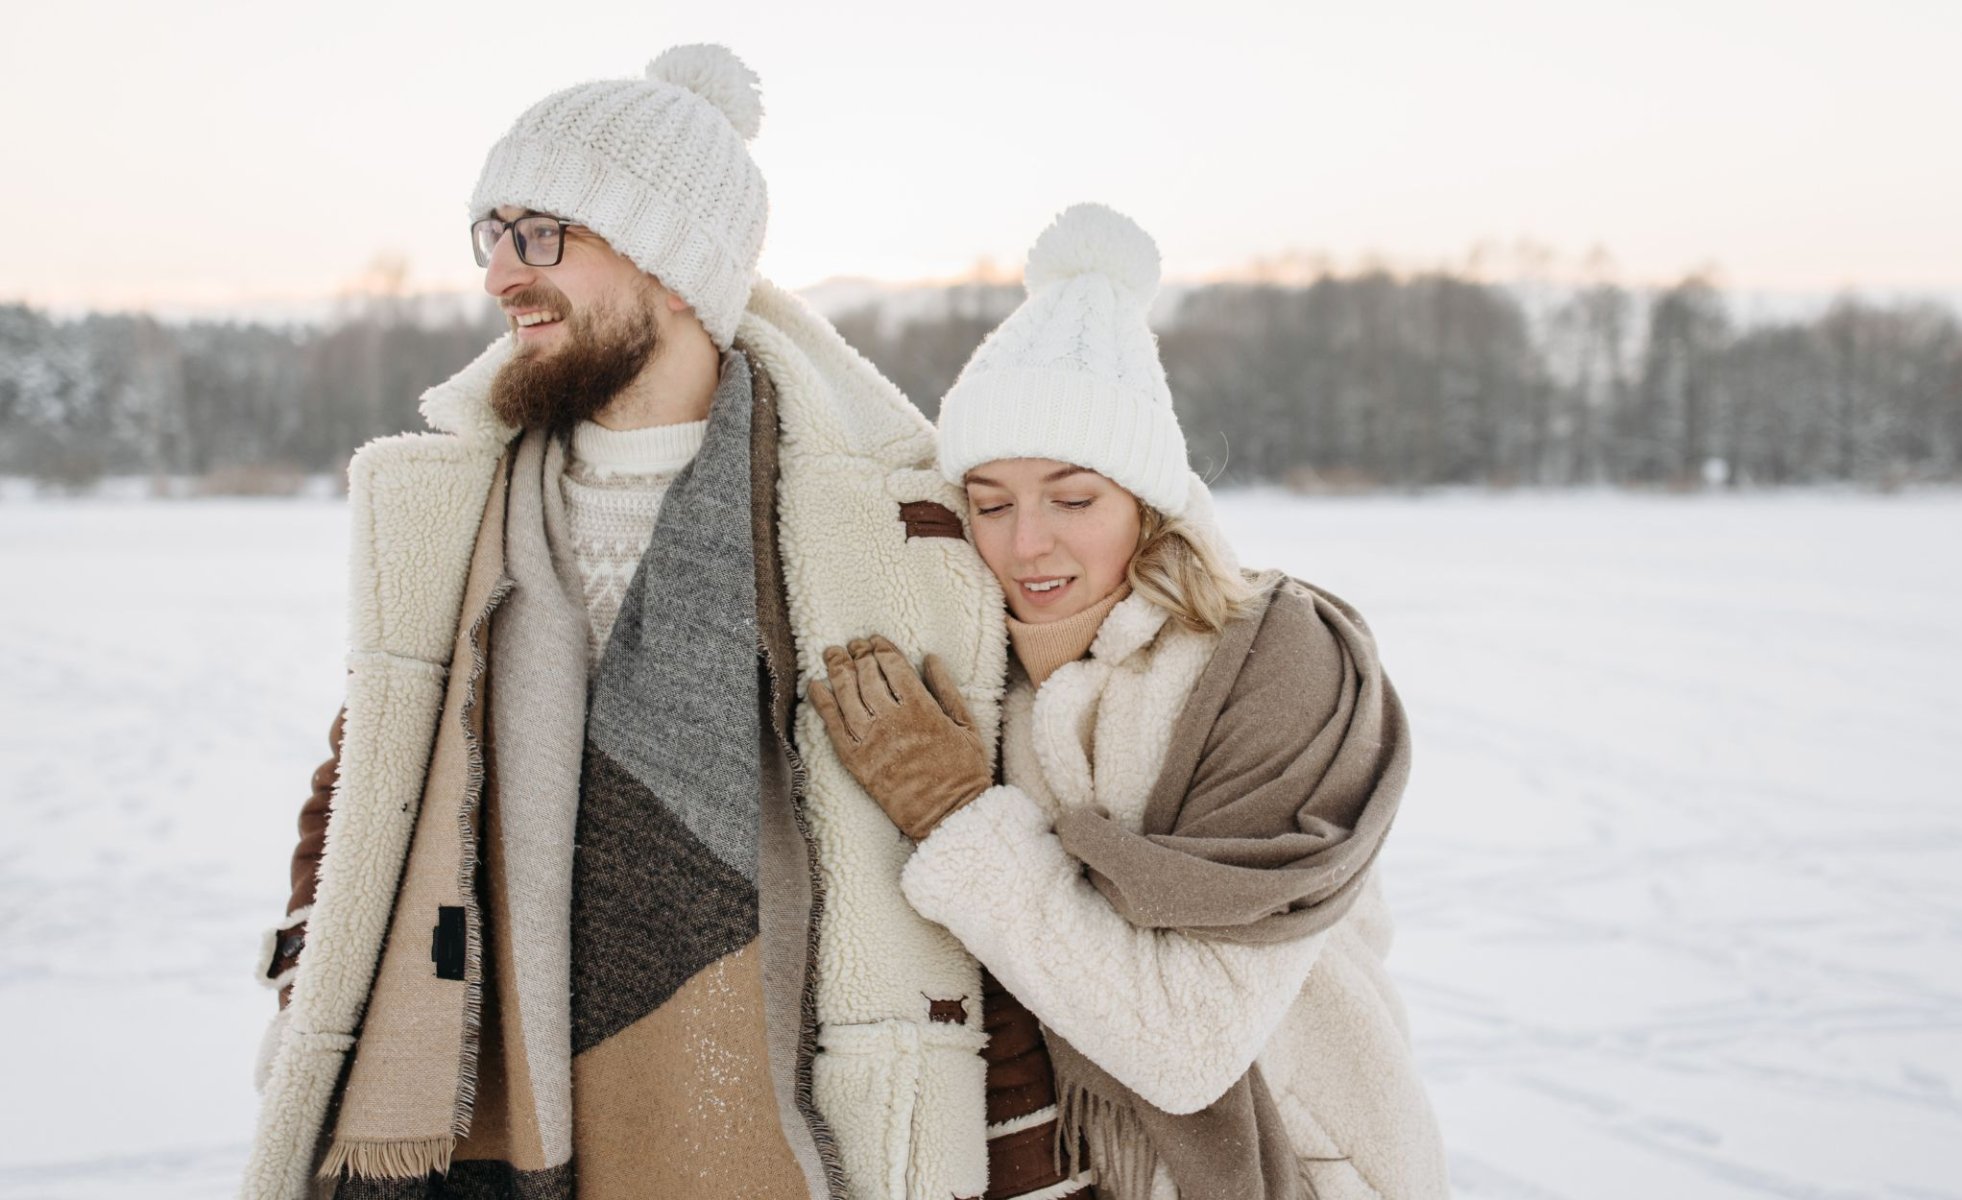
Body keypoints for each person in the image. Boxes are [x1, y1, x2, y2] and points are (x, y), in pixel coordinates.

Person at [243, 46, 1017, 1200]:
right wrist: (311, 965)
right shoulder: (457, 506)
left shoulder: (879, 526)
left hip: (787, 1123)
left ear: (673, 265)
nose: (499, 275)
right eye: (490, 234)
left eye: (540, 234)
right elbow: (367, 770)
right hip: (472, 1110)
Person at [806, 205, 1450, 1199]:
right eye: (990, 502)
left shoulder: (1278, 662)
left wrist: (955, 814)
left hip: (1302, 1164)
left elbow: (1188, 1042)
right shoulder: (979, 669)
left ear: (1148, 504)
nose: (1026, 545)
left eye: (1073, 499)